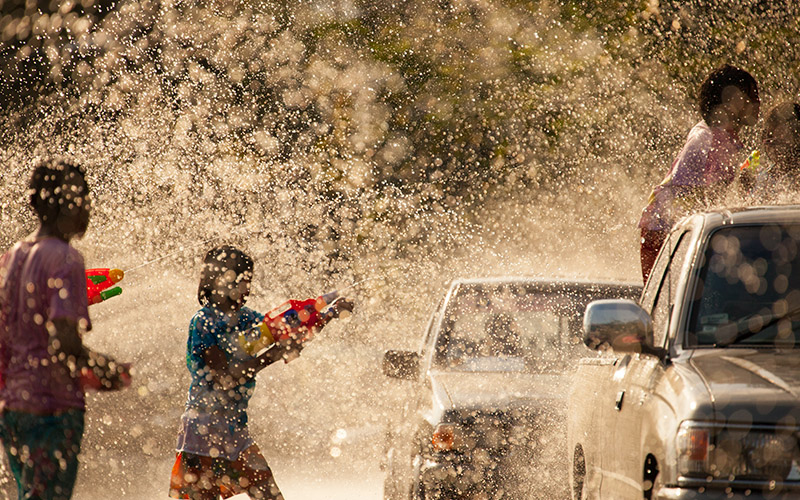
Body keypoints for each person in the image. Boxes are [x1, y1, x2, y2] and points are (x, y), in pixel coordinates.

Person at [169, 245, 353, 500]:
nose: (247, 289)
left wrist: (326, 315)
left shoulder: (246, 319)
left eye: (249, 281)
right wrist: (274, 354)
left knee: (271, 496)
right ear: (219, 281)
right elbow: (225, 378)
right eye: (242, 281)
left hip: (234, 432)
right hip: (202, 434)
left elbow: (289, 331)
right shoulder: (204, 322)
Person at [0, 159, 131, 499]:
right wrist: (109, 369)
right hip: (51, 408)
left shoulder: (12, 257)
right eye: (79, 197)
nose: (86, 205)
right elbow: (66, 342)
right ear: (54, 204)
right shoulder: (66, 258)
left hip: (13, 409)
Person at [638, 64, 760, 283]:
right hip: (662, 230)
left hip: (667, 228)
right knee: (671, 302)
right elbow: (700, 196)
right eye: (750, 96)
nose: (757, 103)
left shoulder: (718, 135)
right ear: (732, 101)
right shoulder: (709, 138)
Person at [749, 102, 800, 199]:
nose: (770, 139)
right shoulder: (766, 176)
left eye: (778, 129)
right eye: (768, 133)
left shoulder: (796, 177)